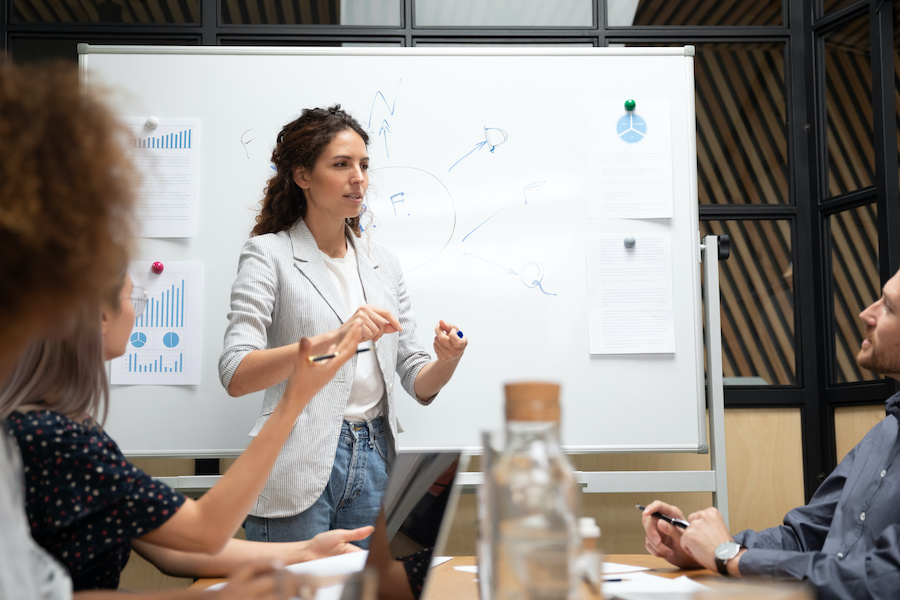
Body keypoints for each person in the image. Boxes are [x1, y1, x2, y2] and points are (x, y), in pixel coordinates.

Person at [1, 267, 372, 594]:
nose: (137, 311)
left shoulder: (72, 429)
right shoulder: (55, 440)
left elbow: (171, 549)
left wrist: (307, 552)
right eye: (134, 297)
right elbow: (205, 531)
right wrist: (293, 401)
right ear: (101, 315)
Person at [218, 105, 468, 546]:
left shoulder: (382, 264)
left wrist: (446, 361)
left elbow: (416, 378)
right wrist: (338, 339)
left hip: (374, 457)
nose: (360, 178)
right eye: (341, 165)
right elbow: (236, 373)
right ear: (302, 176)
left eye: (364, 165)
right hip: (294, 459)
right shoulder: (268, 254)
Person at [641, 266, 900, 600]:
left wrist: (730, 557)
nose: (867, 312)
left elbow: (883, 578)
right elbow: (804, 536)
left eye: (889, 307)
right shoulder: (884, 433)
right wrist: (699, 546)